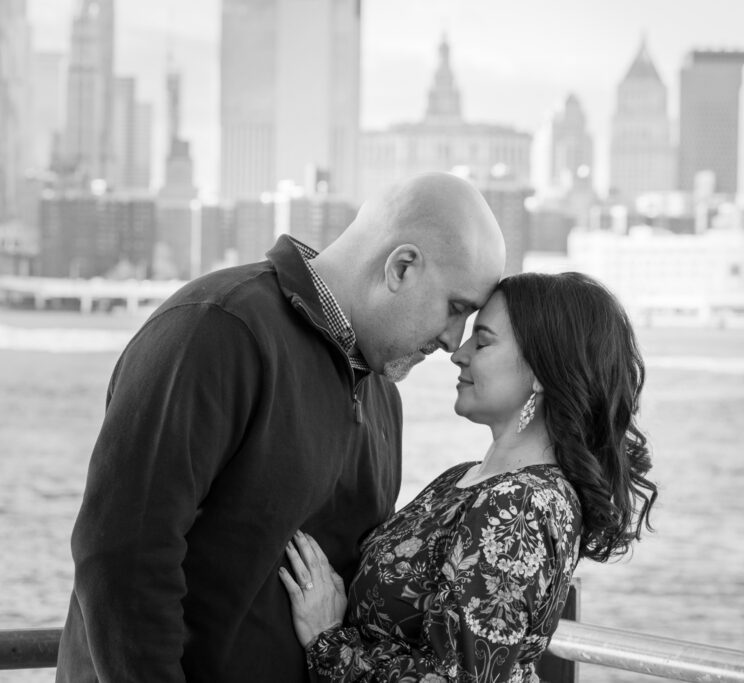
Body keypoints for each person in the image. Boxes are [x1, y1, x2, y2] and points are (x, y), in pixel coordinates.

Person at [56, 172, 507, 682]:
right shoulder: (216, 328)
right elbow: (122, 559)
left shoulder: (383, 396)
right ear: (401, 267)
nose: (453, 340)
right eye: (455, 308)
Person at [280, 271, 659, 682]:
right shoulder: (463, 479)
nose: (458, 353)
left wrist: (328, 640)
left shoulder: (522, 504)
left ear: (542, 373)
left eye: (483, 341)